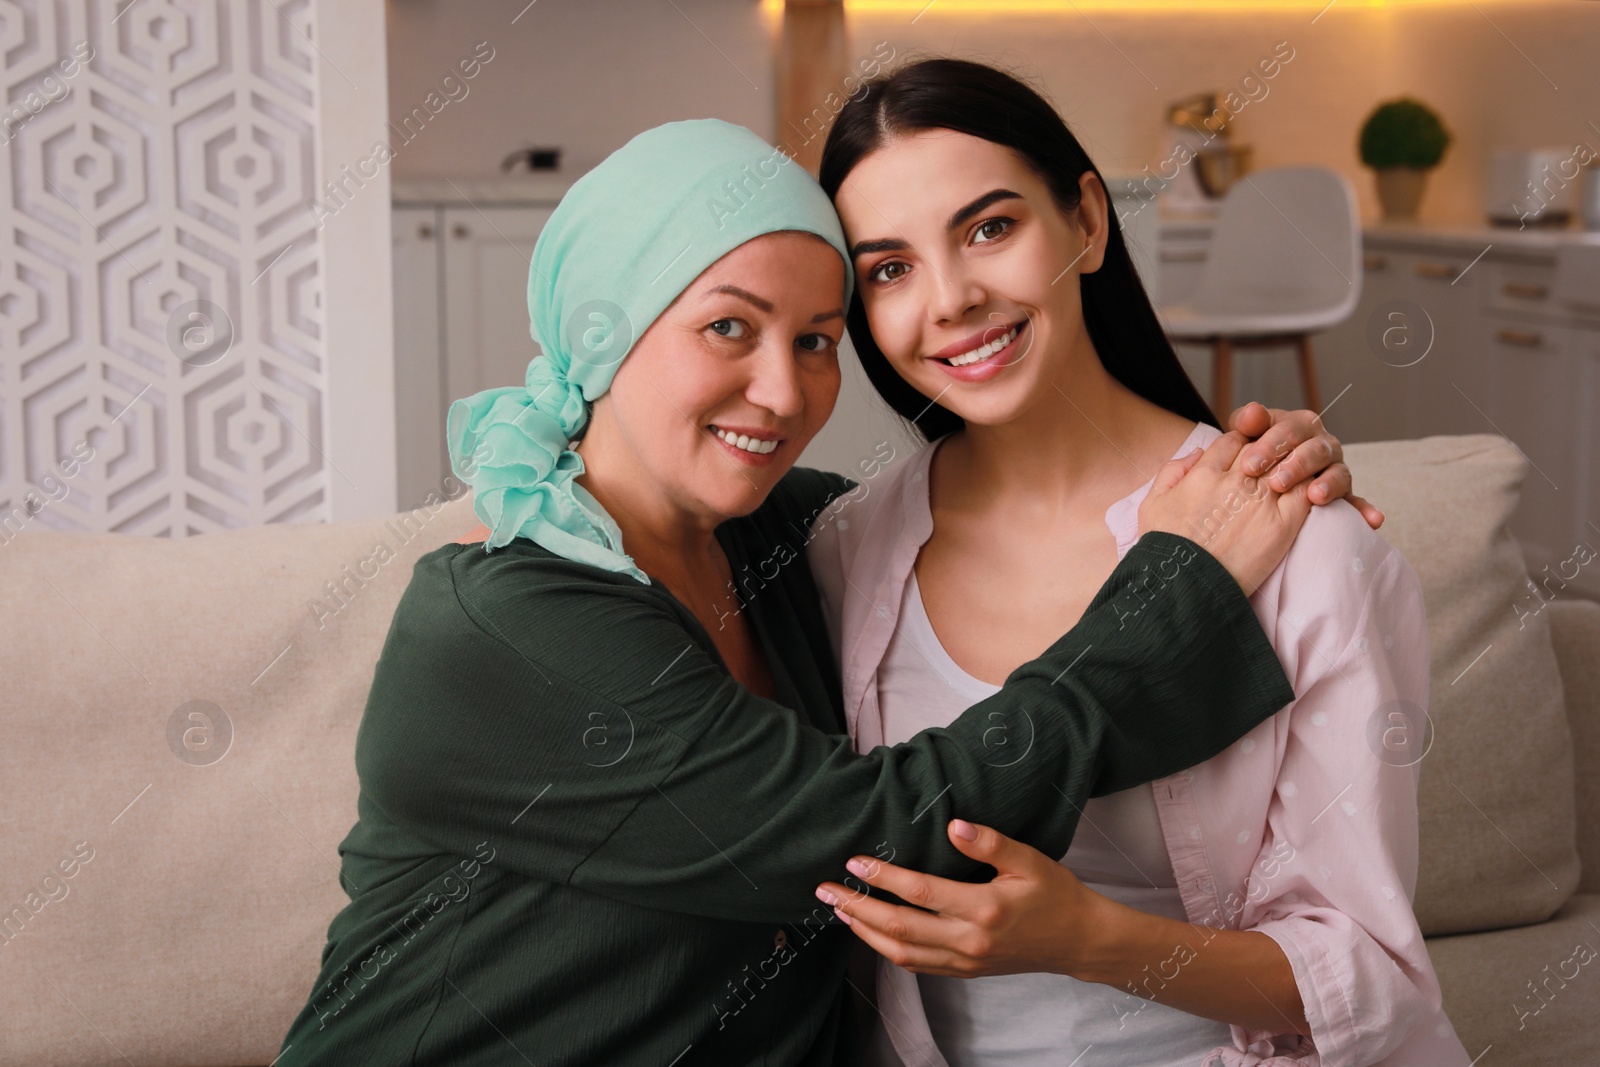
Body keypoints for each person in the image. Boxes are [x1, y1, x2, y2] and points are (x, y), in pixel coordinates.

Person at [276, 118, 1358, 1067]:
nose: (785, 391)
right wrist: (1180, 584)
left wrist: (1252, 472)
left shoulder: (787, 533)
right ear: (603, 326)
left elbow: (996, 518)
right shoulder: (503, 624)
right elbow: (882, 840)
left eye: (817, 342)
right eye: (728, 327)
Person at [807, 58, 1470, 1067]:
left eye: (990, 227)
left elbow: (1371, 976)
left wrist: (1088, 940)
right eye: (888, 268)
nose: (951, 299)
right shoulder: (842, 550)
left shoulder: (1298, 543)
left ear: (1084, 219)